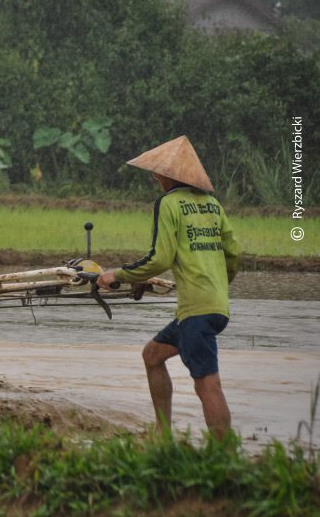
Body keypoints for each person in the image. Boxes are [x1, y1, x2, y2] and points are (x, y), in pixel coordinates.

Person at [96, 135, 240, 439]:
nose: (154, 178)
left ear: (167, 175)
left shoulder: (168, 203)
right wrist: (217, 284)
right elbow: (233, 253)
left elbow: (159, 258)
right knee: (153, 355)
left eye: (156, 172)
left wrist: (117, 275)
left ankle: (224, 455)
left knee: (207, 383)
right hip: (215, 305)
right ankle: (163, 433)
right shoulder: (213, 205)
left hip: (196, 313)